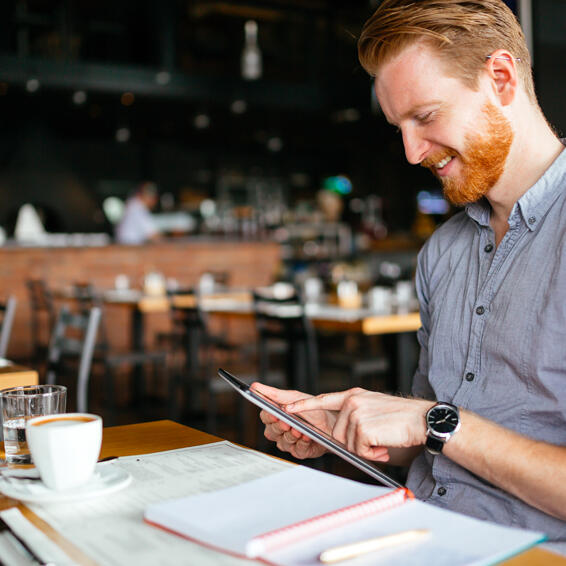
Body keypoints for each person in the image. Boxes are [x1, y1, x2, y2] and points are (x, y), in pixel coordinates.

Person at [253, 0, 566, 553]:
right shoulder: (442, 253)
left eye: (425, 116)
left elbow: (436, 425)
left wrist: (435, 421)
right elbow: (430, 440)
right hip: (408, 536)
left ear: (500, 78)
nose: (411, 151)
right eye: (399, 126)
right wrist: (349, 428)